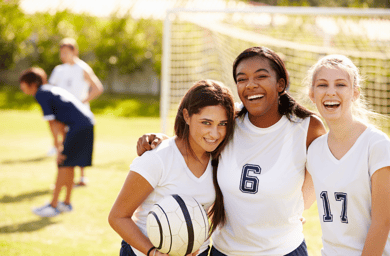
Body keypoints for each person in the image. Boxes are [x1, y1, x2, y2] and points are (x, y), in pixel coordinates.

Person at [137, 46, 327, 255]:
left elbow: (320, 176)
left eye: (261, 76)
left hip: (284, 250)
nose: (250, 85)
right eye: (241, 79)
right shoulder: (230, 120)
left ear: (281, 83)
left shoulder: (306, 127)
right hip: (225, 251)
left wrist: (296, 209)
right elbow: (198, 137)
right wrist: (160, 141)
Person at [108, 80, 236, 256]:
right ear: (186, 115)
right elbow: (118, 217)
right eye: (206, 122)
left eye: (222, 124)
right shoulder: (158, 158)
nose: (215, 133)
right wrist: (153, 252)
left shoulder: (221, 159)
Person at [305, 54, 390, 255]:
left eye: (341, 85)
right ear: (312, 94)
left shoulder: (376, 144)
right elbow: (302, 202)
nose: (331, 92)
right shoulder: (315, 149)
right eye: (322, 85)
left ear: (355, 93)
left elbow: (383, 221)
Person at [19, 67, 95, 217]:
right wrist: (62, 143)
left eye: (23, 83)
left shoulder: (41, 94)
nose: (21, 87)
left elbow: (52, 123)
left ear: (32, 84)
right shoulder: (48, 90)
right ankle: (66, 203)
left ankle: (53, 206)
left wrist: (58, 147)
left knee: (62, 163)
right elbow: (60, 121)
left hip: (78, 126)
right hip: (85, 123)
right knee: (69, 163)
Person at [48, 37, 104, 186]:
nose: (63, 56)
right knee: (64, 144)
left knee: (79, 144)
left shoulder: (83, 68)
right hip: (63, 115)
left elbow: (97, 88)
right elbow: (51, 91)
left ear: (75, 52)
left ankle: (82, 177)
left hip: (80, 115)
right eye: (62, 53)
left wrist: (80, 103)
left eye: (66, 52)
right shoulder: (59, 70)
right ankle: (64, 178)